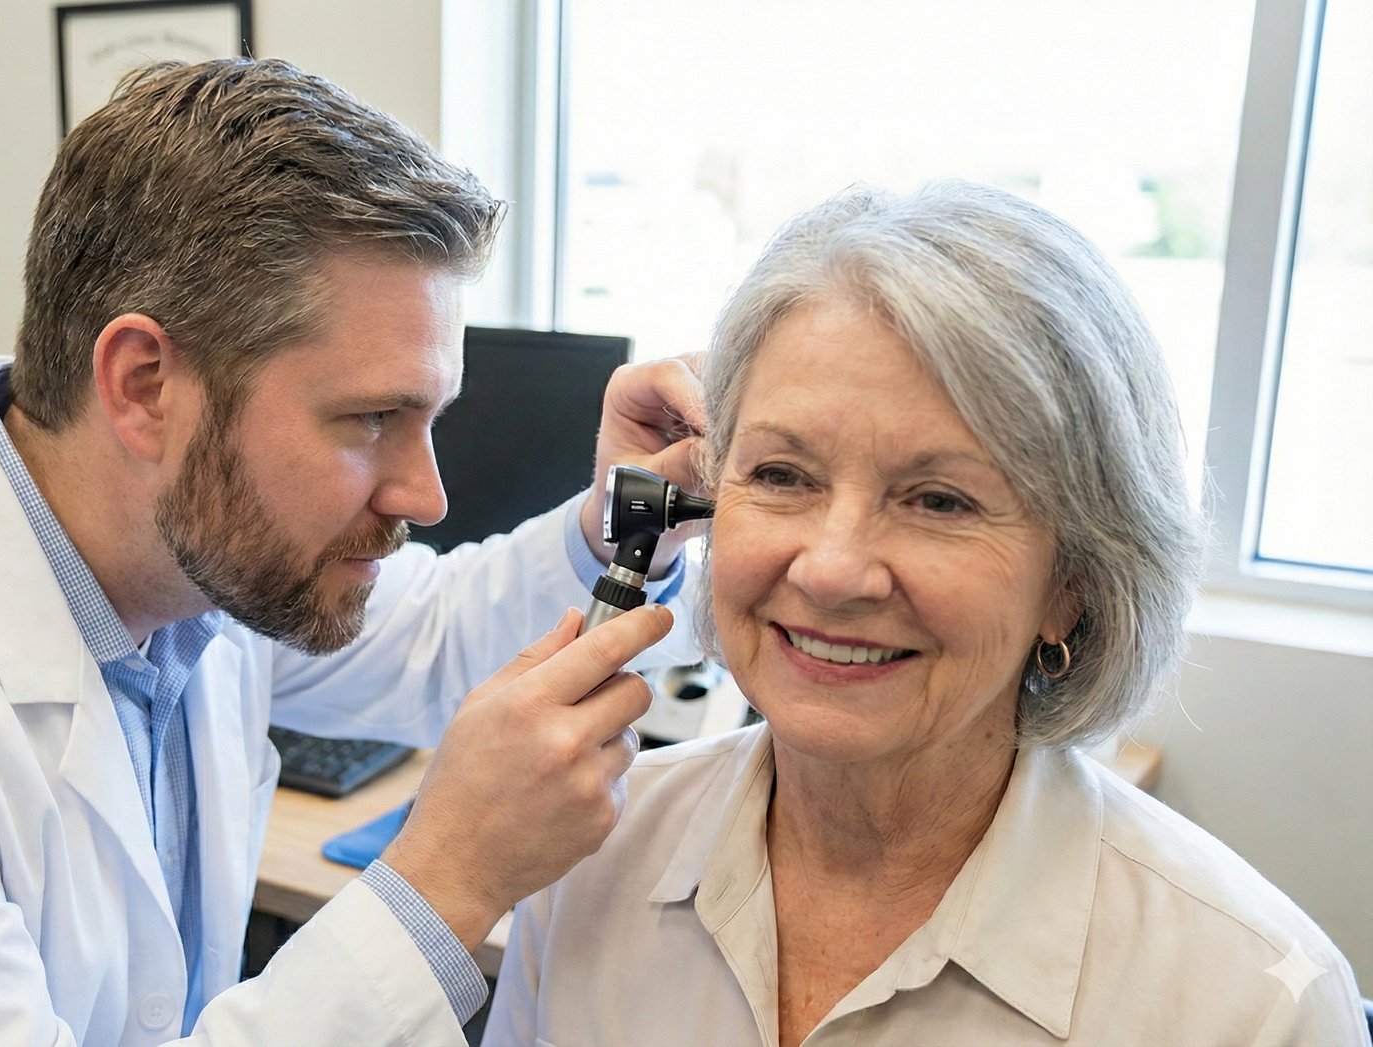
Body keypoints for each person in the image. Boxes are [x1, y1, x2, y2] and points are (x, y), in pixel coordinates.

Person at [0, 59, 709, 1046]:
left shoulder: (189, 569)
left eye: (430, 419)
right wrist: (447, 880)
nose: (424, 489)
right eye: (368, 421)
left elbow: (434, 636)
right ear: (145, 387)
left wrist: (624, 522)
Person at [484, 182, 1369, 1046]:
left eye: (940, 500)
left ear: (1076, 581)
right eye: (783, 476)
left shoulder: (1255, 1006)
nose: (831, 571)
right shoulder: (584, 858)